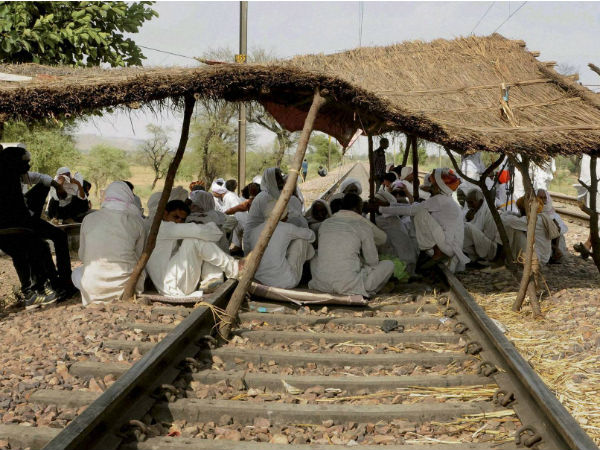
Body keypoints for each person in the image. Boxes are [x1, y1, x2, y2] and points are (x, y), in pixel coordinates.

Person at [0, 145, 66, 308]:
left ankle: (39, 289)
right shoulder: (8, 181)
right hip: (10, 226)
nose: (28, 166)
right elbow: (14, 209)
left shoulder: (14, 176)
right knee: (35, 247)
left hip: (17, 223)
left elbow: (39, 178)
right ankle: (38, 289)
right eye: (25, 163)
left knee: (34, 248)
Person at [379, 168, 469, 273]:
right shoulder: (446, 199)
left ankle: (436, 252)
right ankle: (434, 250)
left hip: (448, 247)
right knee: (418, 210)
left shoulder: (440, 199)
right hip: (450, 245)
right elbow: (414, 206)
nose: (430, 186)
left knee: (420, 214)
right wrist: (388, 205)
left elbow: (412, 210)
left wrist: (380, 209)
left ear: (438, 186)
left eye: (433, 184)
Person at [73, 181, 147, 306]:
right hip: (127, 287)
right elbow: (140, 256)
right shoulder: (138, 222)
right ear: (130, 198)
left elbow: (82, 255)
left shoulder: (88, 219)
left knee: (76, 273)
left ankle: (95, 296)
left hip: (93, 289)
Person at [146, 199, 241, 296]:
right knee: (195, 239)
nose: (179, 221)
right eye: (175, 217)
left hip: (177, 281)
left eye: (182, 219)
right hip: (172, 285)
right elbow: (214, 233)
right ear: (165, 214)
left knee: (201, 238)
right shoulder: (165, 227)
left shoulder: (164, 228)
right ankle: (234, 269)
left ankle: (212, 279)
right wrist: (202, 226)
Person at [309, 193, 395, 297]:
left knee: (316, 256)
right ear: (358, 208)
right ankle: (371, 290)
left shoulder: (325, 224)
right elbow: (372, 261)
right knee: (389, 264)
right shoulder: (362, 225)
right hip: (349, 286)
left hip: (322, 285)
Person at [249, 200, 315, 289]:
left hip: (261, 280)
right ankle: (306, 271)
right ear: (281, 214)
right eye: (286, 213)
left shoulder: (253, 231)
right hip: (285, 282)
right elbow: (311, 236)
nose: (287, 215)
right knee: (301, 241)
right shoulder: (286, 228)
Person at [373, 191, 419, 275]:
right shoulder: (391, 218)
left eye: (376, 202)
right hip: (408, 260)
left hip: (402, 262)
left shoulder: (385, 220)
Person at [501, 196, 557, 265]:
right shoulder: (540, 216)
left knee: (514, 230)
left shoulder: (534, 220)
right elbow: (518, 217)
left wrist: (504, 213)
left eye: (520, 209)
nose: (519, 211)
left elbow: (507, 221)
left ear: (526, 209)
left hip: (537, 259)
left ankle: (508, 257)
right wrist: (514, 214)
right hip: (543, 257)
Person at [244, 167, 285, 253]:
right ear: (272, 180)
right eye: (279, 178)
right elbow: (278, 220)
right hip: (255, 242)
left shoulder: (272, 194)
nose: (282, 180)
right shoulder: (265, 197)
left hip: (263, 236)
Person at [463, 189, 500, 264]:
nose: (469, 205)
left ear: (480, 201)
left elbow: (490, 236)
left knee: (467, 227)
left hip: (489, 248)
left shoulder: (489, 212)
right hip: (478, 245)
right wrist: (468, 219)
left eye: (471, 202)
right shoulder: (472, 211)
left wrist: (470, 223)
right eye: (467, 203)